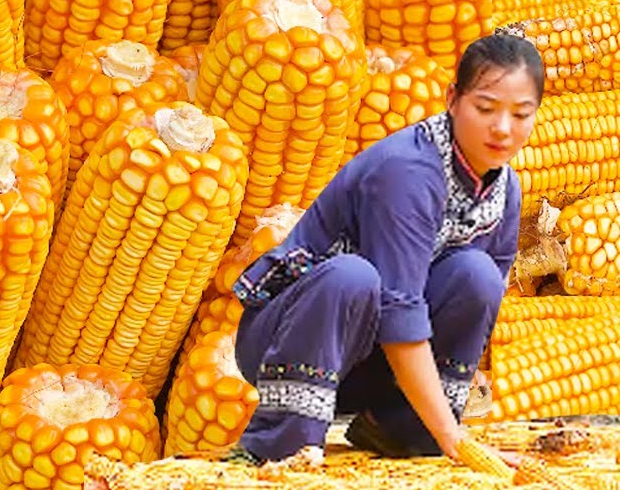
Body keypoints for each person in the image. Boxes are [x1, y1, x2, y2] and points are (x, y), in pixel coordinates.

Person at [227, 34, 544, 465]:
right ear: (452, 100)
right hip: (290, 339)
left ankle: (401, 430)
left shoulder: (505, 190)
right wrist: (456, 440)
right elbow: (399, 308)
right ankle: (282, 449)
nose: (503, 129)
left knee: (479, 276)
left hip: (373, 366)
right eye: (485, 109)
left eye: (521, 114)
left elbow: (484, 295)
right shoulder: (407, 171)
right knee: (353, 276)